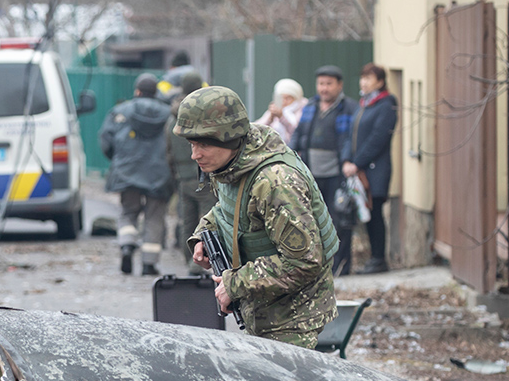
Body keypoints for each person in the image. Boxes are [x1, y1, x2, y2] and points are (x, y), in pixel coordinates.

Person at [174, 86, 338, 349]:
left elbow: (305, 261)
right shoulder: (233, 164)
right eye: (192, 144)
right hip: (263, 309)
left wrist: (234, 284)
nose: (195, 155)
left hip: (293, 319)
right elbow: (229, 210)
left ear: (227, 138)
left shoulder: (275, 182)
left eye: (203, 144)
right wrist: (203, 234)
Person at [99, 73, 173, 275]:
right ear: (155, 92)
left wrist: (118, 161)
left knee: (128, 211)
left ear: (137, 91)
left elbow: (106, 140)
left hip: (128, 171)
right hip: (159, 174)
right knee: (154, 217)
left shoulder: (120, 111)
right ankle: (149, 264)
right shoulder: (168, 115)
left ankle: (127, 244)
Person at [290, 65, 359, 275]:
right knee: (312, 220)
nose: (324, 88)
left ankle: (341, 266)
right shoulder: (310, 106)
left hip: (337, 174)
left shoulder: (349, 108)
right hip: (311, 174)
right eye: (321, 84)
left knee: (339, 220)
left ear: (339, 85)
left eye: (329, 84)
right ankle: (317, 265)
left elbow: (350, 140)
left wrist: (347, 160)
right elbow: (298, 134)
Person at [344, 63, 398, 274]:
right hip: (358, 170)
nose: (363, 82)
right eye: (362, 77)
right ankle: (374, 258)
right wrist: (347, 160)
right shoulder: (364, 104)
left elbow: (378, 138)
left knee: (375, 215)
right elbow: (351, 135)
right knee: (366, 214)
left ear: (381, 81)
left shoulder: (387, 104)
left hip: (375, 171)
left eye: (369, 78)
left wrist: (358, 162)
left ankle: (379, 259)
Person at [164, 71, 215, 273]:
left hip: (182, 176)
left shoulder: (172, 118)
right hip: (205, 175)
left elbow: (168, 152)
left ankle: (189, 261)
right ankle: (207, 261)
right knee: (210, 218)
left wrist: (174, 174)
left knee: (187, 219)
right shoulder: (204, 115)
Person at [253, 79, 306, 146]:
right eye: (281, 98)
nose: (284, 101)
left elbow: (297, 132)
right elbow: (257, 129)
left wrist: (282, 117)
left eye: (288, 98)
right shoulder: (275, 109)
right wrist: (270, 118)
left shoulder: (302, 110)